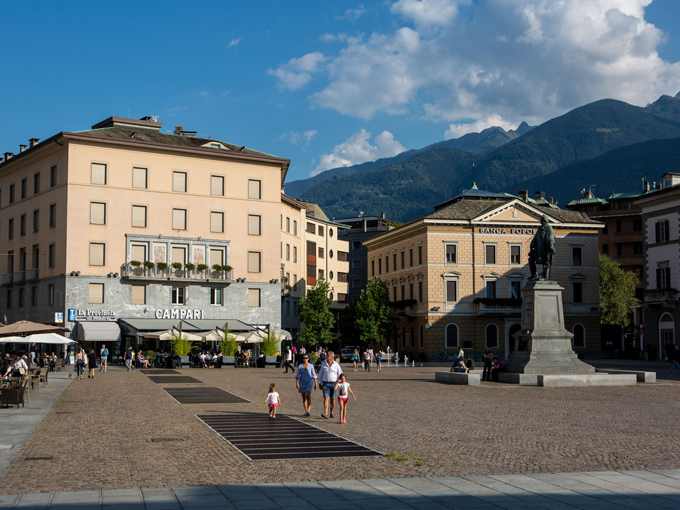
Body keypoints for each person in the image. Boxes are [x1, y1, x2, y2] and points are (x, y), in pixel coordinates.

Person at [318, 351, 343, 419]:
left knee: (332, 399)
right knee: (326, 398)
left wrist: (338, 383)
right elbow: (321, 374)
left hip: (334, 384)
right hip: (325, 383)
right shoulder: (324, 364)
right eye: (326, 356)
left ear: (332, 357)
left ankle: (331, 412)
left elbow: (341, 375)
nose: (326, 357)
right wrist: (319, 383)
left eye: (328, 356)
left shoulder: (336, 365)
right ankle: (326, 413)